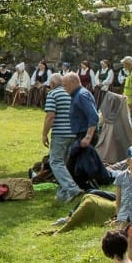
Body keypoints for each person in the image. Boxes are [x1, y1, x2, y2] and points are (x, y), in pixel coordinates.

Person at [42, 73, 83, 203]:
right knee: (64, 164)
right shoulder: (71, 93)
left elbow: (50, 116)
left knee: (55, 162)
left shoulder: (53, 94)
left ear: (52, 84)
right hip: (74, 132)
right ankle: (63, 195)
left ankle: (72, 189)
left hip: (60, 133)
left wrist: (44, 134)